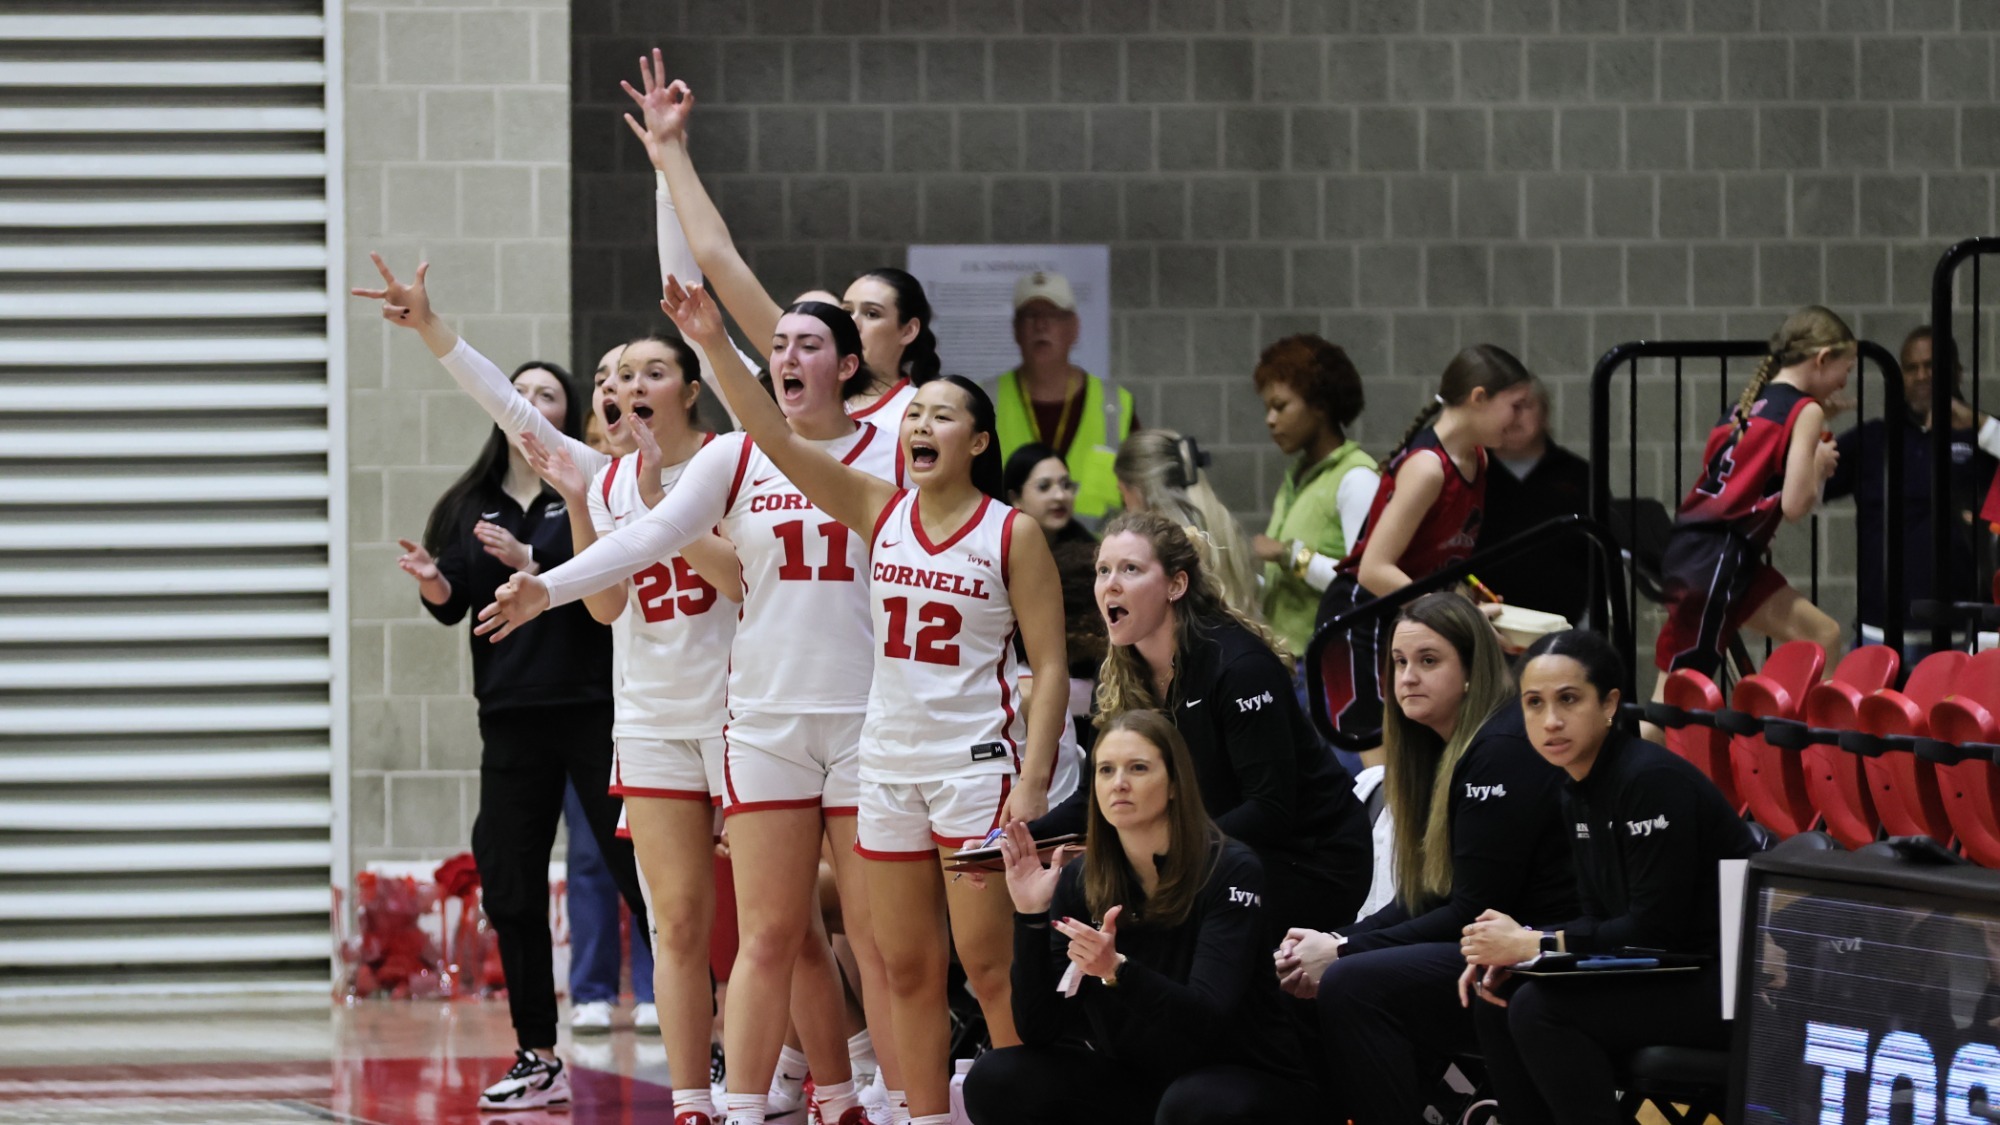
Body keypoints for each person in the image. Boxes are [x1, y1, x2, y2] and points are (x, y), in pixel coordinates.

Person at [650, 274, 1083, 1125]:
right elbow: (771, 433)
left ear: (978, 441)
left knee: (987, 966)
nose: (919, 426)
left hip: (973, 765)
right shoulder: (877, 510)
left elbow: (1052, 667)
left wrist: (1033, 780)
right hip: (887, 766)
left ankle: (1020, 1105)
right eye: (914, 416)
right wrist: (712, 342)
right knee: (903, 963)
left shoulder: (1012, 531)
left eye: (940, 417)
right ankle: (920, 1115)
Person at [476, 291, 910, 1125]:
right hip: (668, 724)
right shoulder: (613, 478)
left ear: (692, 387)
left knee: (814, 932)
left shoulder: (755, 454)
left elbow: (728, 575)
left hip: (756, 715)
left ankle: (850, 1084)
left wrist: (705, 319)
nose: (625, 385)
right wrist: (554, 574)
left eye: (649, 370)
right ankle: (704, 1101)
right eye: (614, 374)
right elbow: (609, 587)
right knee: (686, 926)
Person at [387, 354, 647, 1112]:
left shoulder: (589, 485)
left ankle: (713, 1033)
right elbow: (454, 604)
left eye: (546, 394)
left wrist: (536, 561)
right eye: (520, 390)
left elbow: (607, 576)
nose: (529, 401)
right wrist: (437, 582)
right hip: (508, 713)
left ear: (565, 413)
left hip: (594, 706)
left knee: (640, 872)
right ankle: (538, 1052)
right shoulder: (470, 502)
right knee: (509, 881)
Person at [1271, 593, 1574, 1124]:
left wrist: (1342, 953)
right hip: (1479, 952)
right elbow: (1425, 896)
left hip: (1536, 959)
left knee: (1351, 984)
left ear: (1471, 671)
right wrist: (1336, 940)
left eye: (1428, 661)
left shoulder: (1499, 748)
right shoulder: (1436, 748)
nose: (1407, 677)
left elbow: (1470, 911)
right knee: (1294, 978)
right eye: (1399, 662)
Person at [964, 711, 1320, 1124]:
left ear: (1174, 784)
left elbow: (1208, 1021)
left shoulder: (1231, 869)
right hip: (1141, 1081)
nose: (1119, 783)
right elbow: (1039, 1029)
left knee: (1189, 1104)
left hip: (1244, 1078)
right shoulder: (1080, 880)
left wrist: (1117, 971)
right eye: (1106, 770)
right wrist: (1031, 917)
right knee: (997, 1079)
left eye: (1138, 768)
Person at [1461, 629, 1756, 1125]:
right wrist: (1525, 956)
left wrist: (1535, 944)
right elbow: (1598, 918)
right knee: (1499, 997)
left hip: (1723, 984)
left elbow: (1653, 931)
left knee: (1540, 1009)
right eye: (1534, 703)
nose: (1550, 721)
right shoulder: (1575, 789)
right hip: (1665, 972)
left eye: (1568, 699)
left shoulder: (1650, 781)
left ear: (1610, 704)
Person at [1041, 511, 1373, 932]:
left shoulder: (1239, 666)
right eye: (1103, 570)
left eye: (1130, 569)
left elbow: (1268, 810)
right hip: (1213, 851)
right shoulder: (1120, 675)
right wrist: (1016, 840)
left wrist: (1163, 852)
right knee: (1080, 894)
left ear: (1176, 585)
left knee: (1141, 915)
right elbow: (1090, 799)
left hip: (1309, 858)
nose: (1111, 584)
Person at [628, 52, 938, 426]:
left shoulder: (922, 413)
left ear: (909, 330)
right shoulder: (789, 389)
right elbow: (717, 256)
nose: (851, 323)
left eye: (871, 314)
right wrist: (670, 151)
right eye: (846, 312)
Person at [1316, 344, 1534, 755]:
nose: (1522, 419)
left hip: (1408, 619)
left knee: (1433, 756)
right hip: (1363, 619)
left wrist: (1470, 600)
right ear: (1479, 397)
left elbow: (1440, 562)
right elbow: (1374, 570)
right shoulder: (1428, 468)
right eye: (1515, 405)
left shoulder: (1478, 460)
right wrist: (1458, 617)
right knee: (1385, 770)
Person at [1654, 306, 1851, 691]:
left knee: (1823, 635)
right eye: (1848, 368)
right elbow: (1795, 506)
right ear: (1823, 358)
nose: (1845, 381)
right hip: (1716, 560)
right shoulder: (1806, 411)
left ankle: (1807, 729)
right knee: (1675, 697)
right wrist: (1817, 464)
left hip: (1715, 555)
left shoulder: (1746, 405)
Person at [1826, 325, 1999, 653]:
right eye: (1911, 368)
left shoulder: (1983, 437)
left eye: (1932, 365)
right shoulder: (1874, 438)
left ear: (1957, 372)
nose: (1922, 376)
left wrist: (1979, 423)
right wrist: (1814, 421)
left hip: (1961, 633)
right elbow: (1804, 487)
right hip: (1878, 632)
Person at [1248, 334, 1379, 657]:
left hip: (1326, 661)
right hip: (1284, 657)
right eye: (1267, 408)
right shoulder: (1296, 477)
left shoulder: (1357, 478)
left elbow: (1366, 585)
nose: (1270, 420)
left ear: (1320, 404)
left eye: (1280, 406)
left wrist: (1289, 555)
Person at [991, 269, 1137, 521]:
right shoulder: (983, 399)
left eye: (1053, 315)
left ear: (1074, 328)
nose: (1041, 325)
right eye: (1030, 315)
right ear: (1015, 329)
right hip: (1008, 544)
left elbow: (1141, 494)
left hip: (1098, 545)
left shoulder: (1115, 404)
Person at [1004, 443, 1106, 745]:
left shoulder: (1093, 560)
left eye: (1066, 485)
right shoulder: (994, 552)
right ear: (1015, 497)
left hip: (1084, 717)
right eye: (1044, 486)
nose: (1060, 495)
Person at [1113, 430, 1263, 626]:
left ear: (1139, 491)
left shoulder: (1165, 552)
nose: (1125, 507)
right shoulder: (1224, 529)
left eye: (1122, 493)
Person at [1476, 376, 1592, 625]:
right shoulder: (1471, 471)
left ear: (1545, 414)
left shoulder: (1578, 473)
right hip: (1482, 622)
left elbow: (1599, 551)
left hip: (1564, 624)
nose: (1514, 417)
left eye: (1524, 406)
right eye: (1506, 407)